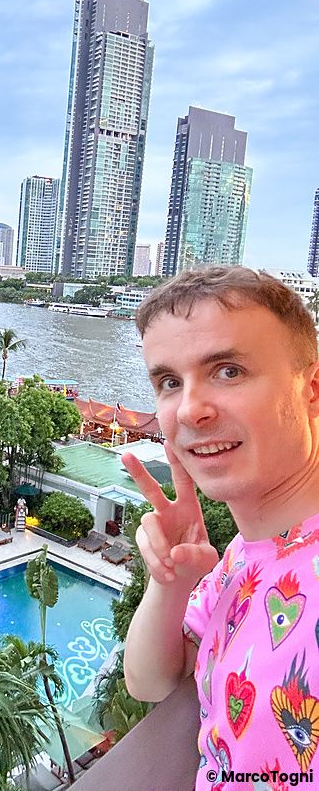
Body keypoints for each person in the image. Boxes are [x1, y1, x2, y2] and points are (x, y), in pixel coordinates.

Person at [122, 266, 319, 788]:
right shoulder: (247, 551)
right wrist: (170, 580)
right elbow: (149, 681)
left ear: (312, 389)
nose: (190, 410)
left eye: (228, 371)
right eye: (169, 382)